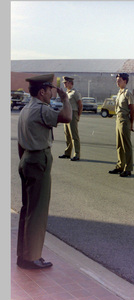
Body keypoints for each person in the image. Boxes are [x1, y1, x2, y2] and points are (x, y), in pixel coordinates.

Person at [17, 74, 72, 269]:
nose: (53, 94)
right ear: (42, 92)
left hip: (26, 159)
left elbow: (20, 143)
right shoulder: (41, 109)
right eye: (50, 90)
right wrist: (66, 100)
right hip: (38, 160)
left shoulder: (25, 109)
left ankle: (23, 255)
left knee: (27, 209)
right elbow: (67, 117)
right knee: (37, 212)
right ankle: (31, 257)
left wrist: (25, 160)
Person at [109, 73, 134, 177]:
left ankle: (128, 168)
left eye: (119, 80)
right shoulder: (119, 93)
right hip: (118, 120)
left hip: (125, 120)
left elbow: (132, 110)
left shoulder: (127, 93)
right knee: (119, 145)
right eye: (117, 80)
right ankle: (120, 165)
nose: (117, 82)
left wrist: (131, 124)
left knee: (126, 145)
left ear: (125, 81)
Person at [59, 76, 83, 161]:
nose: (64, 84)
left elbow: (80, 105)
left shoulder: (75, 93)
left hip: (73, 113)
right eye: (64, 83)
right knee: (67, 135)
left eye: (66, 82)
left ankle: (77, 154)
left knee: (74, 135)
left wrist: (78, 116)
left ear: (70, 83)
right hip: (67, 114)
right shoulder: (67, 93)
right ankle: (67, 153)